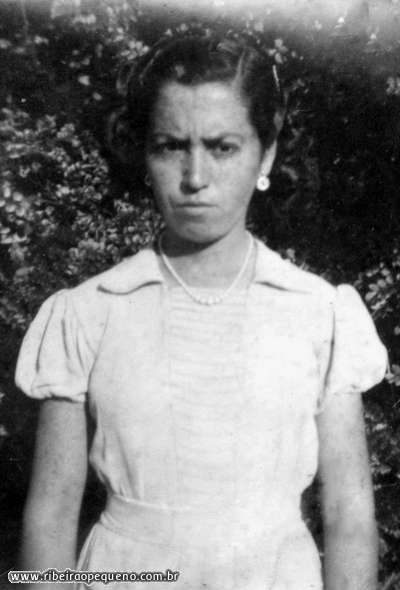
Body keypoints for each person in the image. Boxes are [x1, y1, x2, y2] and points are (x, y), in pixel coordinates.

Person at [15, 27, 387, 590]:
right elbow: (50, 514)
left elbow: (349, 515)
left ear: (267, 152)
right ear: (144, 153)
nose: (195, 178)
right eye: (171, 146)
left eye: (222, 147)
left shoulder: (320, 314)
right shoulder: (87, 313)